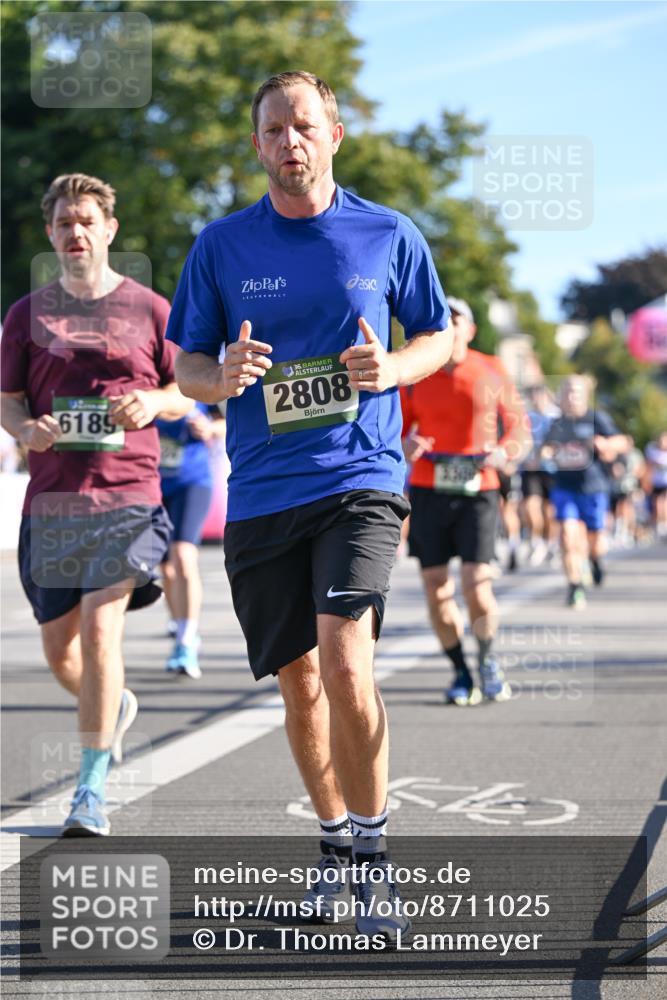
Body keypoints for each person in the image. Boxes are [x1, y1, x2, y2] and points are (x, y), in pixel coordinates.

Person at [166, 71, 452, 942]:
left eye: (303, 125)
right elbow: (186, 366)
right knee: (298, 686)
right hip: (261, 491)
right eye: (272, 130)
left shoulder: (387, 234)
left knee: (344, 661)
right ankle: (332, 847)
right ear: (256, 145)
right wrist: (223, 379)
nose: (288, 140)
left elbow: (435, 335)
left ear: (333, 134)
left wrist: (393, 370)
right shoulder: (220, 247)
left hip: (359, 479)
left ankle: (373, 861)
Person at [0, 173, 190, 836]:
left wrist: (155, 403)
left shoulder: (150, 308)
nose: (75, 233)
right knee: (60, 652)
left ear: (108, 230)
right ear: (50, 235)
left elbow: (187, 390)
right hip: (53, 502)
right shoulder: (26, 315)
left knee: (104, 628)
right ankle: (109, 705)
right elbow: (9, 397)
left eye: (86, 221)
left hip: (127, 495)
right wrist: (25, 429)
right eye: (62, 224)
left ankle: (89, 790)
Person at [400, 296, 531, 706]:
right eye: (442, 322)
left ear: (470, 330)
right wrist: (406, 443)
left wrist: (505, 452)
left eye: (457, 322)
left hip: (480, 488)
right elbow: (397, 429)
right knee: (436, 588)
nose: (449, 328)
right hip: (429, 487)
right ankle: (460, 671)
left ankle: (488, 660)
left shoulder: (490, 369)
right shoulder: (417, 371)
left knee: (476, 584)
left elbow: (519, 429)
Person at [543, 375, 627, 608]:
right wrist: (546, 453)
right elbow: (546, 448)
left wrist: (606, 445)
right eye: (567, 392)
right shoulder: (557, 423)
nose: (571, 397)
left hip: (593, 487)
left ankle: (595, 559)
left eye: (576, 392)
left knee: (595, 539)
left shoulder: (596, 418)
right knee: (568, 536)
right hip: (564, 487)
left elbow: (623, 441)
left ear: (584, 396)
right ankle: (574, 586)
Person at [157, 401, 226, 678]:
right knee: (166, 568)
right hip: (152, 484)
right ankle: (179, 623)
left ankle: (185, 641)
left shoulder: (193, 368)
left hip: (192, 482)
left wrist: (209, 427)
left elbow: (229, 421)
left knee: (183, 557)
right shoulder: (144, 382)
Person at [519, 384, 559, 567]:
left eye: (539, 396)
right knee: (530, 507)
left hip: (552, 470)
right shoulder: (526, 417)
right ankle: (536, 542)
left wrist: (550, 451)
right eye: (533, 397)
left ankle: (551, 543)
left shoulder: (556, 416)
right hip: (530, 469)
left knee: (550, 511)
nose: (536, 400)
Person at [645, 430, 667, 540]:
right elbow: (648, 466)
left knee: (664, 503)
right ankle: (660, 525)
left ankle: (664, 524)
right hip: (657, 481)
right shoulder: (653, 451)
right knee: (657, 504)